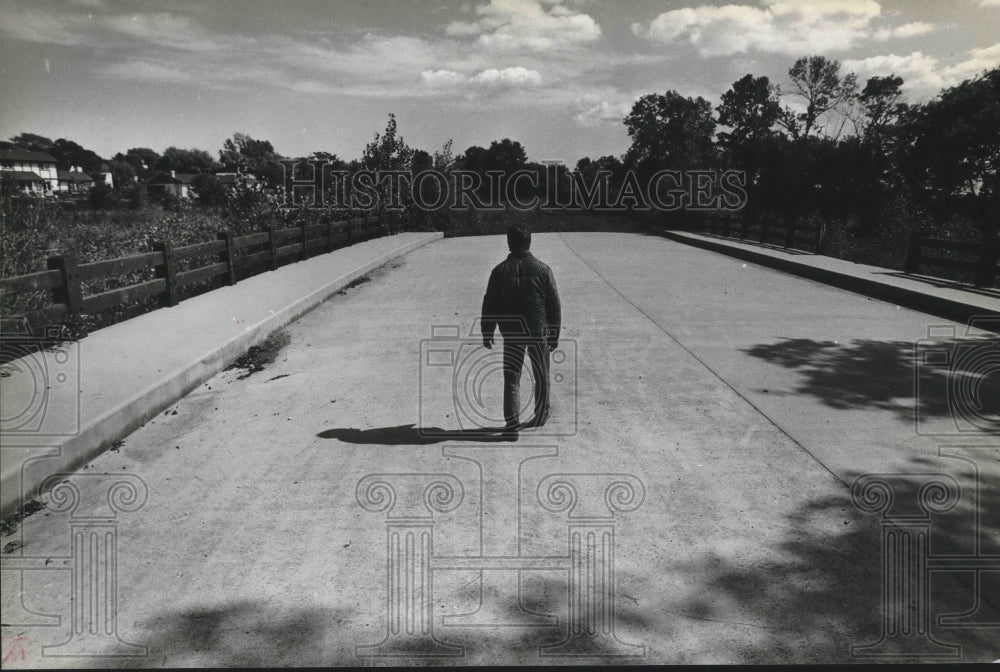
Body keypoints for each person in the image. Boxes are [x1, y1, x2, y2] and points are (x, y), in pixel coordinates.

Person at [481, 224, 561, 432]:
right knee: (541, 374)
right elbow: (553, 303)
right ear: (529, 242)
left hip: (512, 332)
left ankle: (512, 422)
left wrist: (487, 330)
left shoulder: (499, 271)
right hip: (537, 329)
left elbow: (490, 303)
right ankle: (541, 415)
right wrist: (554, 333)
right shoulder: (543, 269)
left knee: (512, 377)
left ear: (509, 243)